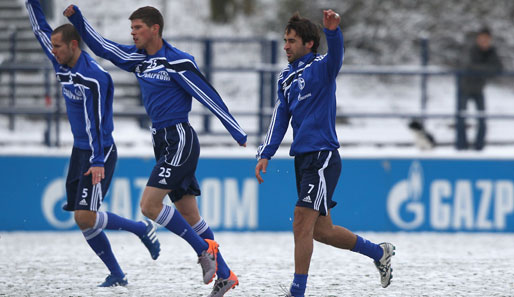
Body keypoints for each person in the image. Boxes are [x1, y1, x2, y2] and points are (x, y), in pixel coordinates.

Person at [64, 5, 247, 296]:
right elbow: (103, 47)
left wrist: (235, 130)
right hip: (161, 141)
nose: (133, 32)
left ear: (155, 29)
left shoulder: (177, 61)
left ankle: (204, 252)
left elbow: (207, 94)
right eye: (132, 28)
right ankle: (225, 275)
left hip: (179, 139)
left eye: (138, 27)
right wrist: (77, 20)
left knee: (149, 206)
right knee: (190, 216)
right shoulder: (138, 60)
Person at [255, 10, 395, 297]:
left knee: (300, 221)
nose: (285, 46)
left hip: (322, 156)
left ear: (308, 44)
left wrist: (333, 32)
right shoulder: (285, 78)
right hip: (303, 159)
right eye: (284, 40)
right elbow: (280, 117)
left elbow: (337, 56)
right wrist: (266, 152)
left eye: (291, 41)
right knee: (321, 231)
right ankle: (379, 252)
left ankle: (297, 291)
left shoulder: (322, 67)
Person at [25, 0, 161, 287]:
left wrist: (97, 160)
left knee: (86, 216)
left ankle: (139, 228)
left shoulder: (94, 77)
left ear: (74, 45)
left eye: (58, 47)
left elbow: (97, 122)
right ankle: (117, 274)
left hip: (100, 151)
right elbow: (40, 30)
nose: (53, 51)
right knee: (82, 218)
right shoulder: (60, 62)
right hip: (80, 150)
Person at [456, 27, 503, 151]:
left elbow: (498, 68)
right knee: (461, 118)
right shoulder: (470, 50)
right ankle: (461, 147)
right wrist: (486, 69)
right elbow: (468, 66)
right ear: (478, 39)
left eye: (487, 40)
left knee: (482, 119)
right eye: (482, 39)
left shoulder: (491, 52)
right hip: (464, 88)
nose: (484, 42)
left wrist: (480, 69)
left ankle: (479, 147)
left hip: (479, 89)